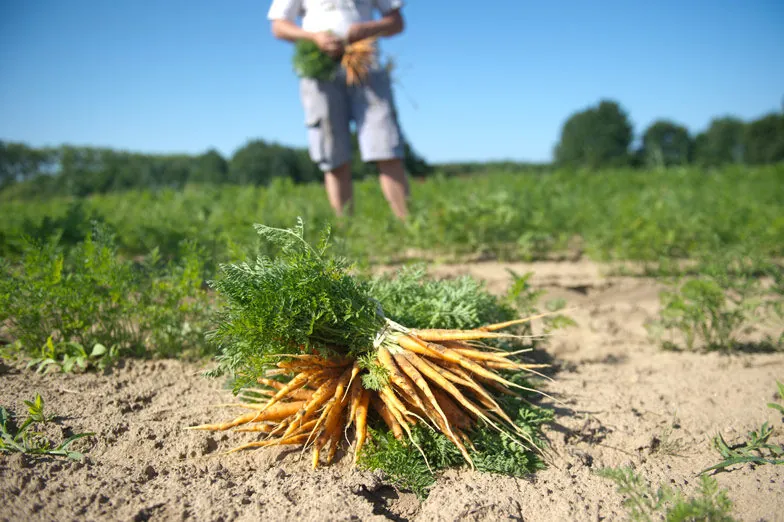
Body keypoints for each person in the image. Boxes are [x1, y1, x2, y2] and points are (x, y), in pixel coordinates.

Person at [267, 0, 410, 220]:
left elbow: (397, 21)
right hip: (320, 70)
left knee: (386, 143)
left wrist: (369, 28)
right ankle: (346, 231)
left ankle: (408, 225)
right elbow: (278, 25)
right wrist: (314, 38)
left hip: (365, 65)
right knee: (332, 151)